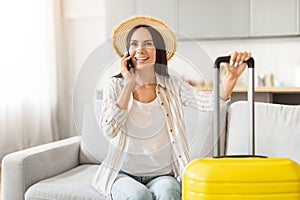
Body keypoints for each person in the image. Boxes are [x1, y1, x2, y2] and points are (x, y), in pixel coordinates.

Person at [92, 15, 251, 200]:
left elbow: (208, 103)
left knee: (168, 193)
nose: (140, 49)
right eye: (134, 44)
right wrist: (128, 84)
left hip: (162, 175)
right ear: (127, 52)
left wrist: (231, 78)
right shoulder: (115, 86)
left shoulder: (173, 84)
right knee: (139, 195)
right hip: (122, 174)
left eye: (148, 43)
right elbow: (109, 130)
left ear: (157, 50)